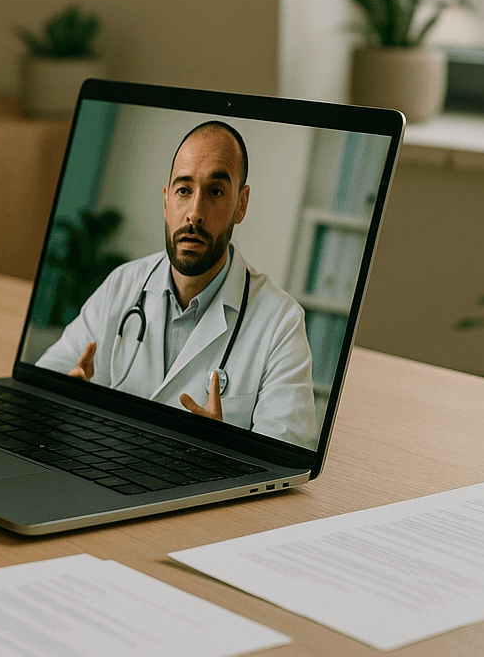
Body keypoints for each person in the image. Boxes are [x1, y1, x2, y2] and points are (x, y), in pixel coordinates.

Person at [35, 121, 318, 450]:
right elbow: (48, 378)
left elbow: (287, 455)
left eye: (214, 192)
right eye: (184, 190)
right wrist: (61, 398)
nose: (194, 213)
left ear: (241, 204)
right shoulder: (123, 284)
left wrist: (222, 451)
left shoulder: (280, 322)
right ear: (166, 201)